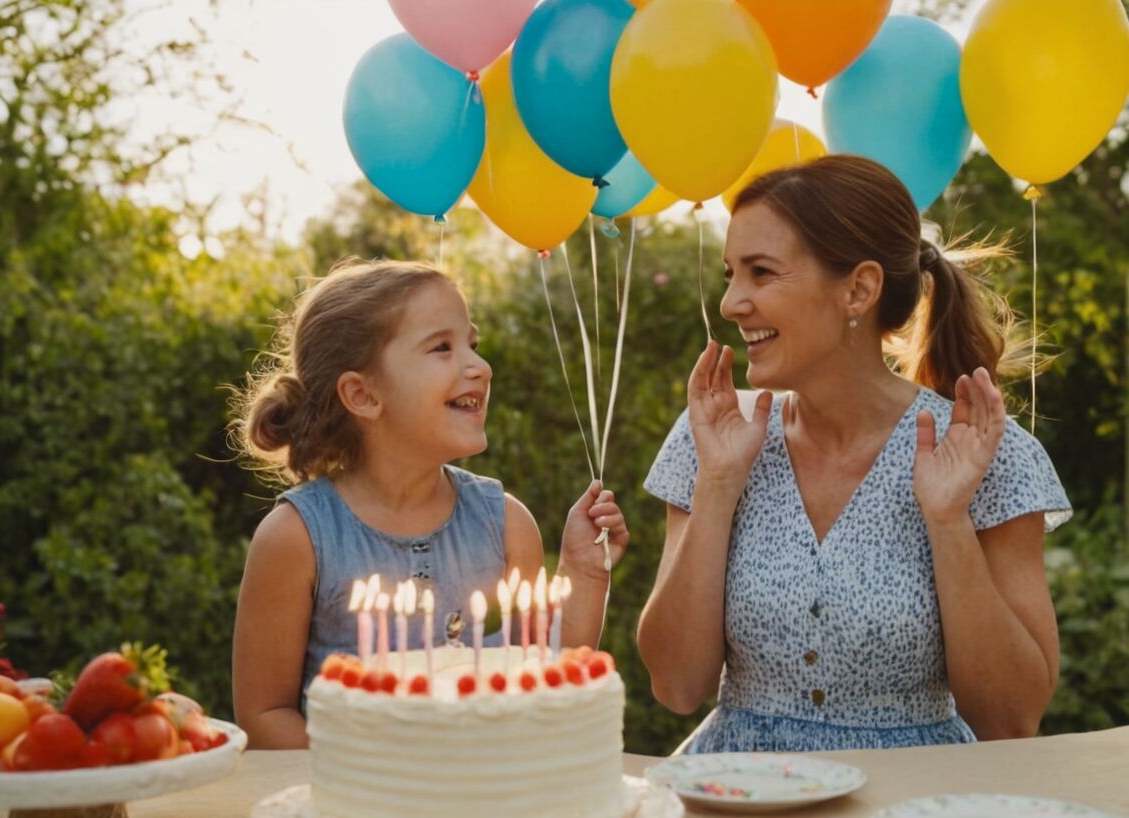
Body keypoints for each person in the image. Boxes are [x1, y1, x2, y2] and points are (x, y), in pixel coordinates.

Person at [638, 154, 1071, 753]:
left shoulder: (989, 453)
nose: (731, 303)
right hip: (741, 807)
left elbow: (1011, 720)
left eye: (761, 273)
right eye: (731, 274)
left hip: (912, 815)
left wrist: (948, 522)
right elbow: (676, 685)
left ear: (859, 289)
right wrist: (716, 484)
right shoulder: (712, 432)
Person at [230, 258, 628, 748]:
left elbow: (545, 683)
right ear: (362, 394)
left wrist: (584, 575)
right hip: (357, 812)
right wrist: (388, 778)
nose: (479, 366)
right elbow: (264, 713)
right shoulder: (296, 537)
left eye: (473, 345)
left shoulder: (505, 523)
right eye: (442, 347)